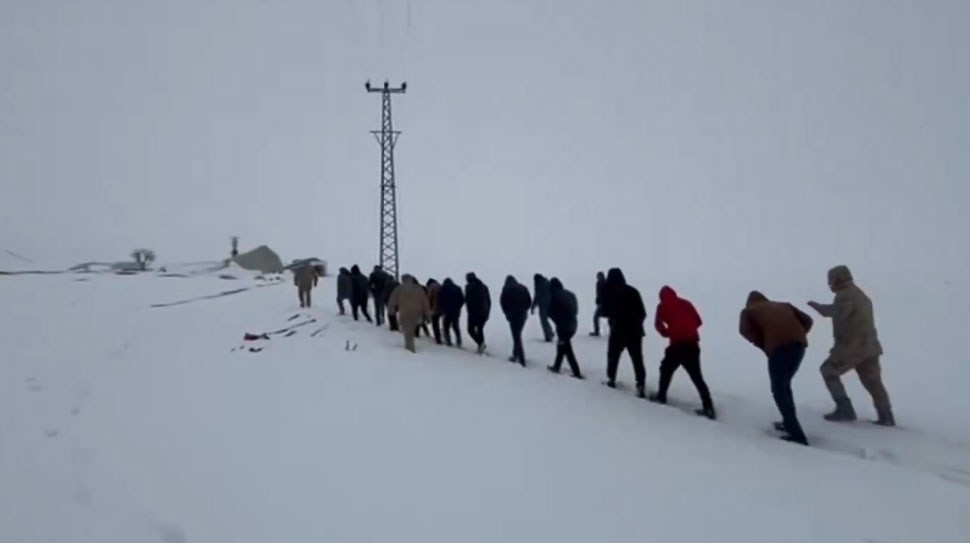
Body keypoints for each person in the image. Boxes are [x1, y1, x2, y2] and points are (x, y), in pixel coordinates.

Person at [808, 265, 894, 426]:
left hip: (852, 348)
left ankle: (844, 409)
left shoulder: (845, 296)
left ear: (837, 280)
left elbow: (841, 312)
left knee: (828, 371)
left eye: (830, 281)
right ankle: (886, 416)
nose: (829, 285)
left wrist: (821, 308)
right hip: (870, 346)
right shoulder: (860, 294)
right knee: (873, 382)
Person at [739, 290, 815, 446]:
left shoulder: (749, 311)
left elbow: (745, 331)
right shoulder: (784, 305)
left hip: (779, 349)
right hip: (799, 347)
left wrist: (765, 344)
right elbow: (808, 320)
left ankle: (797, 436)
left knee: (779, 390)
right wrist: (797, 334)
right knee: (785, 387)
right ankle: (788, 423)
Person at [649, 286, 715, 419]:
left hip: (677, 346)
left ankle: (661, 396)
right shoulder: (686, 303)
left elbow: (658, 325)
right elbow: (698, 321)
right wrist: (687, 329)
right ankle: (708, 407)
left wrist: (668, 333)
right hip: (692, 345)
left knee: (666, 370)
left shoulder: (662, 307)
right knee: (697, 377)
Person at [601, 268, 647, 397]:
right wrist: (636, 324)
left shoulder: (609, 293)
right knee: (637, 359)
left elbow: (605, 312)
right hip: (635, 332)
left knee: (613, 356)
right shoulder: (633, 291)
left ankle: (611, 379)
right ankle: (641, 384)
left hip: (618, 331)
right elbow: (642, 313)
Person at [547, 277, 584, 379]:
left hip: (563, 326)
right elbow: (575, 310)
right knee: (562, 346)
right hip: (573, 324)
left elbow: (550, 312)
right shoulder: (570, 294)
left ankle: (576, 372)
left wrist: (556, 320)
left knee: (567, 349)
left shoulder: (553, 296)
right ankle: (557, 366)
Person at [388, 274, 432, 353]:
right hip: (416, 313)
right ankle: (411, 346)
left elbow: (392, 300)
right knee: (411, 329)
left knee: (407, 330)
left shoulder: (399, 289)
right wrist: (428, 314)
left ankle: (410, 348)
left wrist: (391, 311)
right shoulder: (418, 289)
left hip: (405, 312)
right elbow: (424, 302)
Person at [500, 275, 532, 366]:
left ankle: (521, 360)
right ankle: (516, 354)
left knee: (516, 337)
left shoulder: (506, 289)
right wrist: (525, 309)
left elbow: (502, 303)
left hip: (513, 316)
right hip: (522, 316)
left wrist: (507, 313)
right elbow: (529, 301)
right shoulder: (523, 287)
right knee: (517, 335)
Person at [465, 272, 492, 354]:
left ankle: (480, 344)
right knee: (480, 329)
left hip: (473, 312)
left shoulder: (468, 287)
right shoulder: (484, 287)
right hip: (484, 312)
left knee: (470, 330)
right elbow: (489, 301)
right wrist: (487, 312)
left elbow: (467, 300)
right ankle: (481, 345)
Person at [438, 278, 465, 347]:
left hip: (447, 312)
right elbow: (462, 299)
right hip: (456, 311)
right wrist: (458, 307)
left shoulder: (443, 289)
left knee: (446, 326)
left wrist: (442, 309)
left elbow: (440, 300)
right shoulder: (458, 288)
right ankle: (459, 341)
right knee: (455, 326)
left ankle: (448, 341)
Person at [532, 274, 555, 342]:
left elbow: (537, 295)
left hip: (543, 305)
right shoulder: (546, 282)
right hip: (550, 303)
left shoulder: (539, 284)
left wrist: (533, 306)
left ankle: (548, 335)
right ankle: (550, 332)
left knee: (543, 320)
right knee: (545, 319)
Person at [426, 278, 443, 344]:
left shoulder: (431, 287)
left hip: (434, 309)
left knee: (435, 324)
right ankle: (441, 337)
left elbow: (429, 298)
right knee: (439, 323)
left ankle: (438, 339)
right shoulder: (440, 286)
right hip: (441, 308)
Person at [591, 271, 606, 336]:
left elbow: (601, 294)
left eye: (598, 276)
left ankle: (596, 331)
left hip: (604, 303)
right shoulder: (599, 283)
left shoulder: (604, 283)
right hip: (601, 302)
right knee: (596, 317)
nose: (598, 278)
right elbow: (598, 293)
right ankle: (596, 331)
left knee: (596, 317)